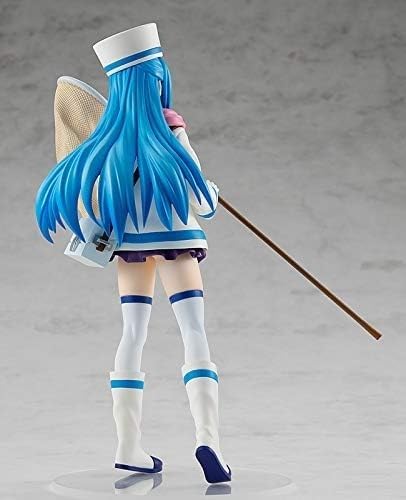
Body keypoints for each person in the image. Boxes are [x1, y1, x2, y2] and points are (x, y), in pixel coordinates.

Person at [34, 23, 231, 484]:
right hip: (178, 244)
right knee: (194, 332)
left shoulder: (105, 139)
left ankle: (127, 447)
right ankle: (209, 441)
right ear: (156, 80)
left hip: (131, 251)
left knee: (132, 335)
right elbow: (201, 201)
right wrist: (213, 194)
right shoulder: (171, 130)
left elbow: (97, 200)